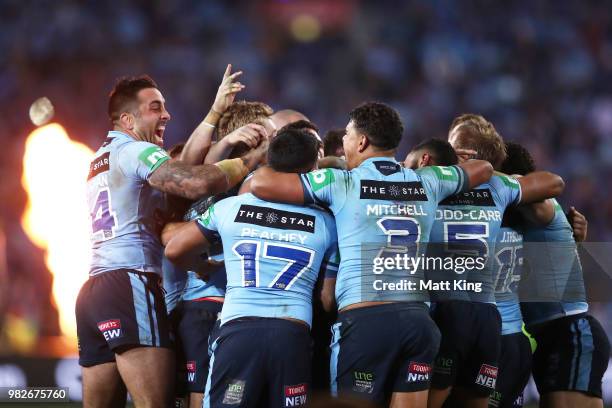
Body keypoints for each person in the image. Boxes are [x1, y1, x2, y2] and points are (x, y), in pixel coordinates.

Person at [250, 102, 495, 407]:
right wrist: (454, 164)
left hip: (366, 322)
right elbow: (484, 169)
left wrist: (319, 162)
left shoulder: (342, 182)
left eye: (348, 137)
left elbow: (260, 183)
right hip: (418, 322)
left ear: (362, 141)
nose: (345, 144)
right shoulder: (429, 181)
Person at [76, 70, 267, 408]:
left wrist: (214, 113)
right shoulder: (134, 152)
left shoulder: (98, 158)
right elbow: (191, 184)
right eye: (155, 108)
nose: (166, 115)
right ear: (127, 119)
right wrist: (253, 158)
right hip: (130, 280)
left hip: (94, 289)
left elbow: (183, 176)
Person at [165, 128, 340, 407]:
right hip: (291, 335)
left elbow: (174, 249)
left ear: (269, 161)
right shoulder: (327, 223)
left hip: (238, 331)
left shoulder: (231, 207)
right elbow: (327, 299)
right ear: (313, 169)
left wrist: (203, 267)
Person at [419, 116, 564, 408]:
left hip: (452, 316)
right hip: (489, 323)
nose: (446, 149)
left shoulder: (434, 184)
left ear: (468, 153)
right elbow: (554, 183)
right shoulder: (502, 191)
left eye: (452, 143)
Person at [502, 142, 610, 408]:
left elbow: (540, 191)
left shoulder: (540, 205)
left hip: (568, 332)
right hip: (545, 337)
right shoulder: (498, 221)